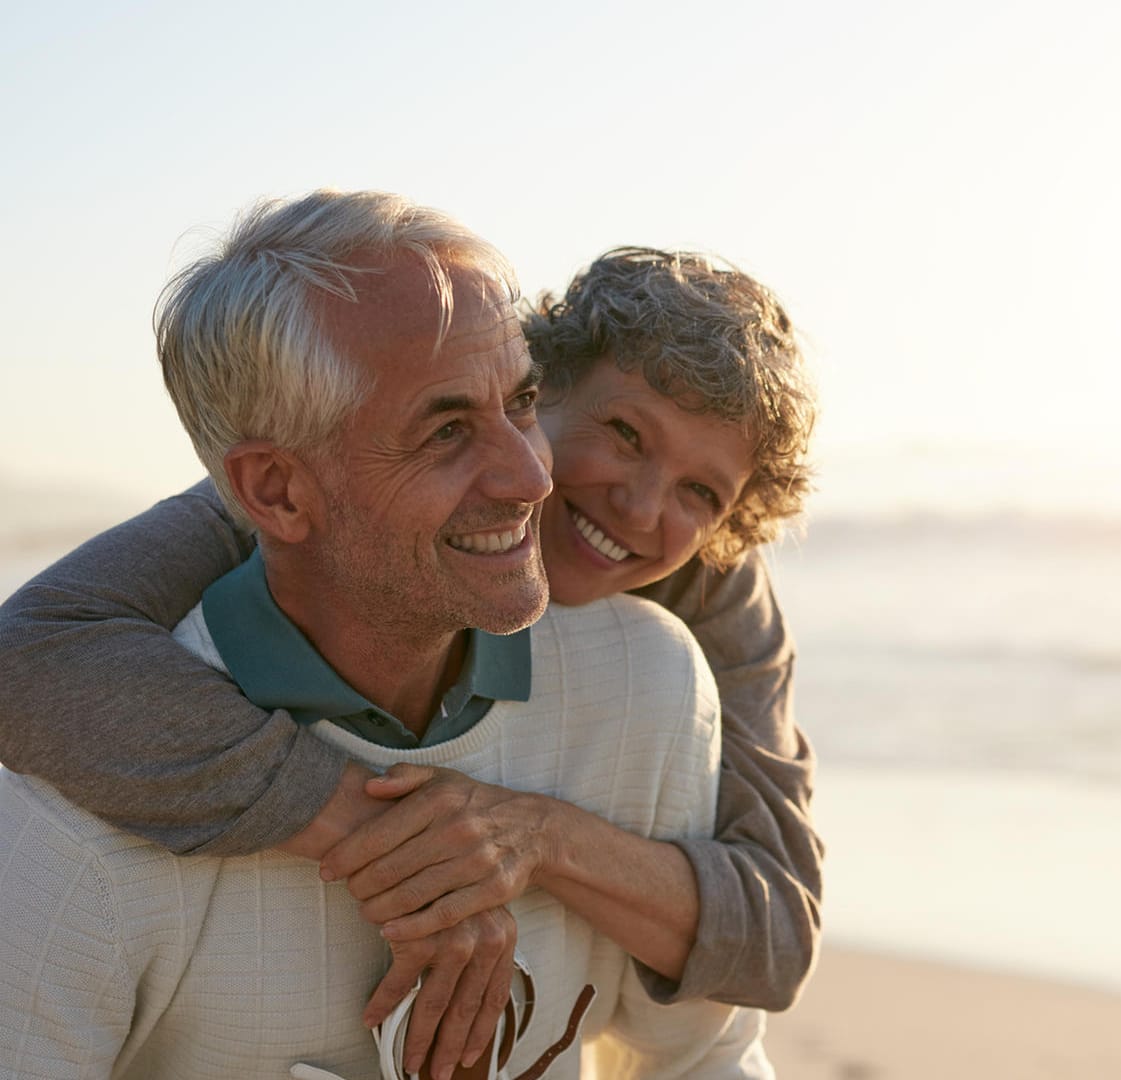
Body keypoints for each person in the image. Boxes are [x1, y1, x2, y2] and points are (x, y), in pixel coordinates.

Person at [0, 191, 812, 1078]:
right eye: (622, 433)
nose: (645, 505)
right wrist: (391, 840)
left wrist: (532, 837)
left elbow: (770, 940)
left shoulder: (677, 636)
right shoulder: (259, 512)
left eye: (703, 493)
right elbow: (29, 652)